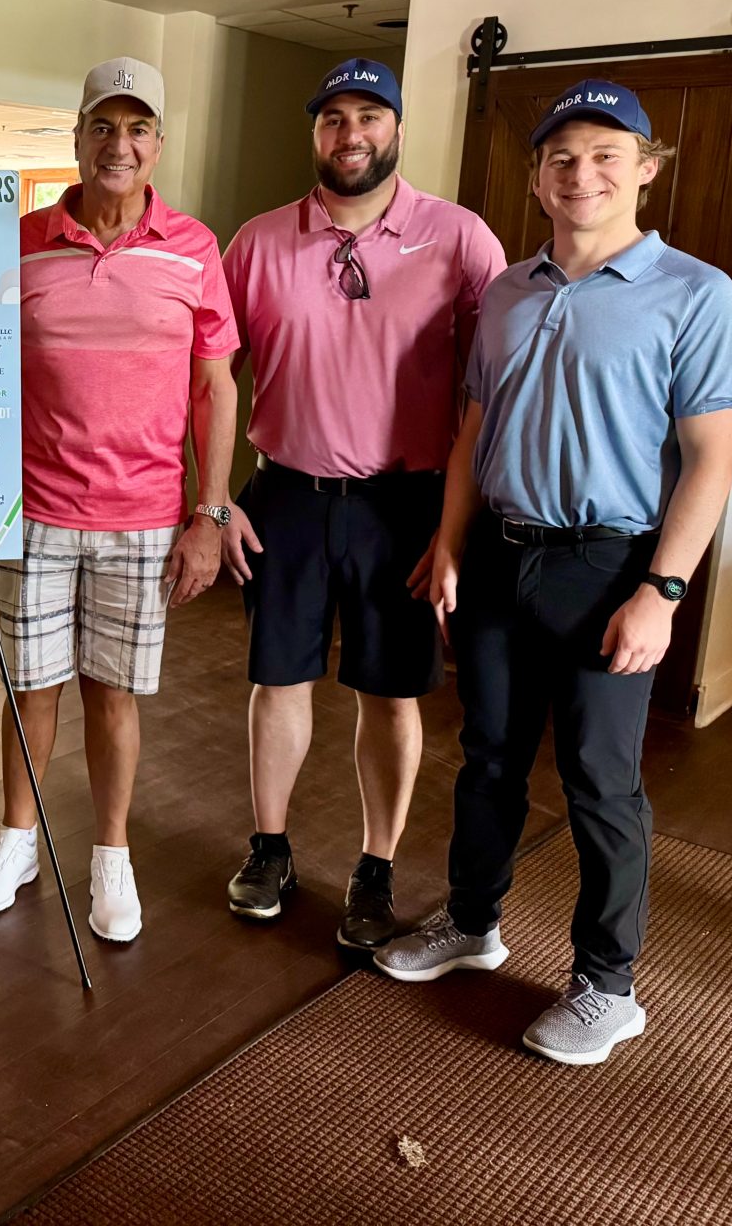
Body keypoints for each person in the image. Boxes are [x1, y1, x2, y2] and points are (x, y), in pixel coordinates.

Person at [376, 80, 732, 1066]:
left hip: (611, 565)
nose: (582, 174)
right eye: (562, 159)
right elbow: (473, 432)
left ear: (646, 171)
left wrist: (662, 593)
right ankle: (472, 922)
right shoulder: (508, 290)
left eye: (605, 155)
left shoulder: (695, 293)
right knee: (489, 758)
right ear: (539, 179)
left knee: (598, 780)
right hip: (501, 555)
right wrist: (449, 542)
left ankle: (607, 986)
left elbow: (711, 459)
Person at [219, 58, 507, 948]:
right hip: (286, 496)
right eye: (334, 118)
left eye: (369, 116)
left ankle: (375, 869)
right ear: (316, 133)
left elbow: (489, 394)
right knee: (278, 681)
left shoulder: (461, 241)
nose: (351, 134)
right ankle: (269, 848)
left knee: (390, 692)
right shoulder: (258, 243)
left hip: (404, 506)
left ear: (397, 130)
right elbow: (209, 378)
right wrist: (213, 502)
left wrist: (456, 528)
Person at [0, 57, 240, 943]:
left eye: (138, 128)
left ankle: (111, 854)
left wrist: (211, 513)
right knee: (31, 687)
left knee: (112, 694)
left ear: (158, 143)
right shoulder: (20, 241)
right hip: (36, 509)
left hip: (145, 515)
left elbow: (216, 388)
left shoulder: (194, 249)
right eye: (103, 126)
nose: (120, 145)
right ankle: (17, 839)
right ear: (78, 137)